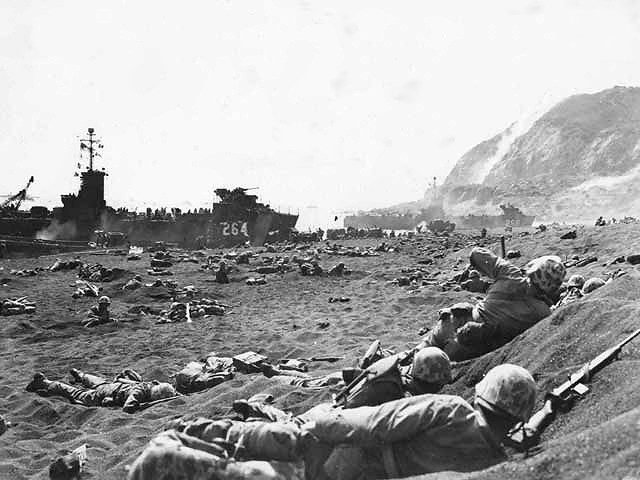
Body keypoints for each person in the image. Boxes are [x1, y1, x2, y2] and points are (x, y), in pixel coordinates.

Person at [127, 364, 536, 480]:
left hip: (335, 457)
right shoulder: (493, 458)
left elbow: (372, 424)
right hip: (354, 471)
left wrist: (319, 419)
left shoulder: (449, 409)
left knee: (226, 439)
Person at [419, 247, 565, 361]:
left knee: (416, 357)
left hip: (453, 323)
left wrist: (502, 266)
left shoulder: (510, 273)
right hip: (471, 347)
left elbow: (476, 254)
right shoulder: (542, 312)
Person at [25, 368, 176, 413]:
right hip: (107, 394)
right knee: (78, 394)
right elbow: (128, 408)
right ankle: (46, 383)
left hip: (112, 386)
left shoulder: (149, 384)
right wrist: (148, 405)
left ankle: (81, 375)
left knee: (97, 382)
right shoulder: (139, 394)